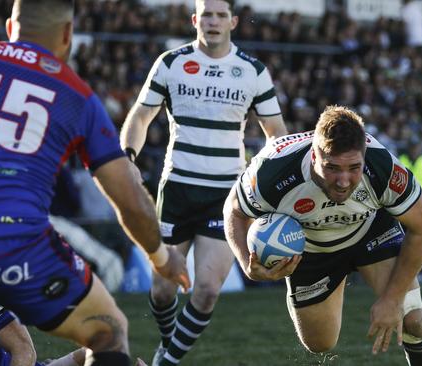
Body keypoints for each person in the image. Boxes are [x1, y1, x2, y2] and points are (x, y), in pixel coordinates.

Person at [0, 1, 190, 365]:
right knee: (108, 333)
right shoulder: (75, 94)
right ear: (67, 35)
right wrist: (162, 257)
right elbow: (131, 202)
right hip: (20, 249)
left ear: (10, 27)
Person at [119, 0, 287, 364]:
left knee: (208, 290)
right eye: (206, 15)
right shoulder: (170, 63)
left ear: (234, 22)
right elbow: (140, 116)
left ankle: (166, 361)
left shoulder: (252, 71)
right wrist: (128, 157)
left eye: (220, 15)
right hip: (177, 188)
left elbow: (276, 133)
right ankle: (169, 343)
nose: (213, 21)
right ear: (195, 20)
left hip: (225, 194)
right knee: (163, 291)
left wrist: (269, 180)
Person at [223, 106, 422, 364]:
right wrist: (246, 264)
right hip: (310, 249)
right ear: (314, 157)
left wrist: (392, 298)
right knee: (319, 343)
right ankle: (333, 281)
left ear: (364, 157)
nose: (343, 180)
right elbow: (234, 210)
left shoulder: (381, 163)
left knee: (413, 321)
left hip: (369, 231)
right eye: (332, 168)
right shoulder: (273, 170)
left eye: (354, 168)